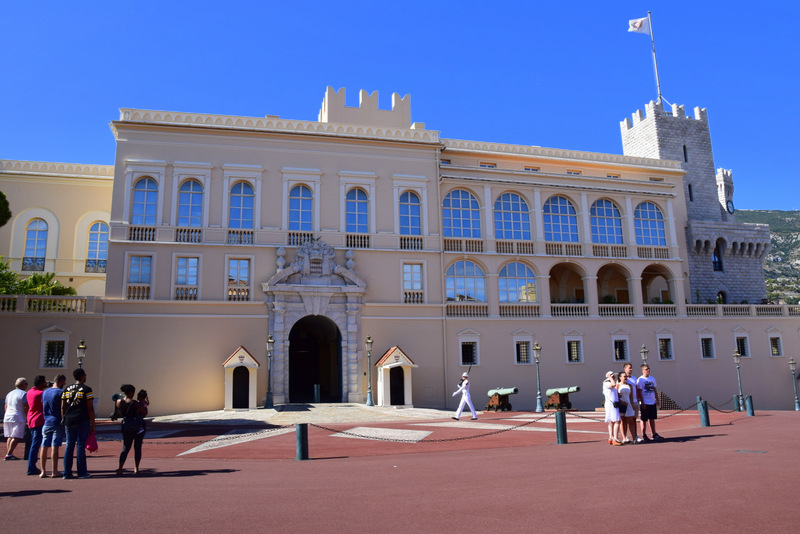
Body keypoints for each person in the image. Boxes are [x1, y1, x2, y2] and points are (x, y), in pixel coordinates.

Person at [61, 368, 95, 479]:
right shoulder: (87, 389)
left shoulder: (66, 389)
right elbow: (90, 408)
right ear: (82, 376)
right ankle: (81, 472)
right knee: (80, 446)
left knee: (69, 446)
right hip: (82, 419)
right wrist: (92, 423)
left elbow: (63, 406)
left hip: (69, 420)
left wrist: (64, 418)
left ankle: (66, 472)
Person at [114, 384, 149, 475]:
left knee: (125, 447)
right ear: (131, 392)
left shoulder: (119, 401)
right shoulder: (135, 403)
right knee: (137, 447)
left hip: (126, 426)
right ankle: (136, 468)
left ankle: (120, 468)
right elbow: (144, 412)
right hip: (138, 427)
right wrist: (144, 405)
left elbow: (116, 414)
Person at [40, 374, 67, 478]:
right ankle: (54, 470)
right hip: (57, 421)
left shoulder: (45, 392)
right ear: (61, 381)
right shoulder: (61, 392)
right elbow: (62, 408)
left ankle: (43, 471)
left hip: (46, 421)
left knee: (44, 446)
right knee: (54, 446)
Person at [25, 375, 47, 475]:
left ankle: (32, 466)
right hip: (38, 420)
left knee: (34, 444)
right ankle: (31, 467)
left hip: (31, 419)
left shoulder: (29, 392)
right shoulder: (41, 394)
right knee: (36, 445)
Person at [4, 377, 28, 461]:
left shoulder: (9, 393)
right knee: (16, 436)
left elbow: (6, 406)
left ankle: (9, 453)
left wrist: (7, 413)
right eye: (26, 384)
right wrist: (27, 416)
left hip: (8, 416)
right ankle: (9, 454)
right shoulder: (24, 394)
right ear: (23, 385)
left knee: (10, 436)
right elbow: (25, 406)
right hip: (18, 416)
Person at [638, 363, 662, 441]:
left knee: (652, 418)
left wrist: (657, 399)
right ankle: (644, 434)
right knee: (644, 419)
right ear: (642, 370)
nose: (648, 370)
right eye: (646, 369)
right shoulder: (640, 380)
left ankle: (653, 433)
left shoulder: (652, 378)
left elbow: (654, 389)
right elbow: (639, 391)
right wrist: (642, 402)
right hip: (645, 402)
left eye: (648, 369)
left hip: (652, 402)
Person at [622, 363, 643, 443]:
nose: (631, 369)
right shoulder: (622, 379)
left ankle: (635, 436)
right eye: (629, 368)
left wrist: (638, 399)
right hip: (626, 402)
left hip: (634, 401)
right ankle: (625, 437)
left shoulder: (634, 378)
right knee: (624, 420)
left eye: (631, 368)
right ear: (625, 369)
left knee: (634, 419)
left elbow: (637, 389)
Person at [603, 371, 622, 445]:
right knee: (617, 421)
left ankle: (611, 437)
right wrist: (610, 377)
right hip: (611, 405)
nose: (614, 377)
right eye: (613, 376)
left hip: (612, 404)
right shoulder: (607, 383)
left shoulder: (608, 383)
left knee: (611, 421)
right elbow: (613, 384)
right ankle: (615, 438)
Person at [616, 372, 636, 444]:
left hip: (628, 404)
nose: (625, 378)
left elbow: (631, 396)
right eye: (624, 376)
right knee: (623, 421)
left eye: (626, 376)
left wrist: (632, 404)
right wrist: (621, 402)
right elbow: (616, 396)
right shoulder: (617, 385)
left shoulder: (629, 385)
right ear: (620, 377)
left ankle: (634, 438)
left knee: (630, 421)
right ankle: (624, 438)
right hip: (622, 405)